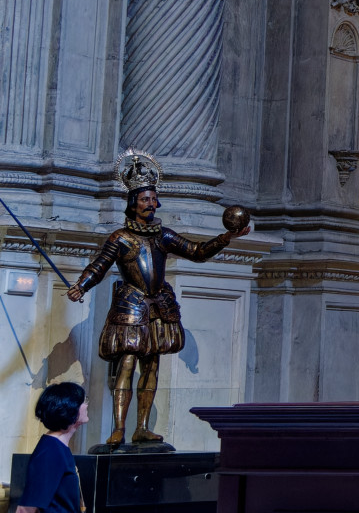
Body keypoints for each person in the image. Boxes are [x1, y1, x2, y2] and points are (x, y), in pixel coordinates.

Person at [66, 151, 250, 447]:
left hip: (159, 306)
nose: (150, 204)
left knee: (152, 366)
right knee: (126, 364)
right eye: (144, 199)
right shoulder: (120, 238)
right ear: (133, 203)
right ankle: (118, 429)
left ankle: (141, 427)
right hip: (131, 304)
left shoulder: (163, 235)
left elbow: (197, 252)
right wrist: (81, 286)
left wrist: (225, 239)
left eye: (153, 199)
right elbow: (99, 266)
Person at [16, 380, 87, 513]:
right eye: (82, 401)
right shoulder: (50, 451)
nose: (86, 405)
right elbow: (25, 508)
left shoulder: (58, 447)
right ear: (71, 408)